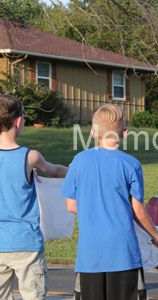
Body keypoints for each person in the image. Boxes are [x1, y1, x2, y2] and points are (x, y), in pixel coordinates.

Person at [60, 104, 158, 300]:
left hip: (90, 257)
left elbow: (71, 205)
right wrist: (155, 235)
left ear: (92, 133)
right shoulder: (131, 164)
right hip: (124, 255)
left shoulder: (79, 161)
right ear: (124, 133)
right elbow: (138, 211)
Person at [0, 95, 68, 300]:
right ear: (18, 121)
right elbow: (55, 171)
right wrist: (76, 171)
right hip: (26, 243)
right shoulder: (30, 157)